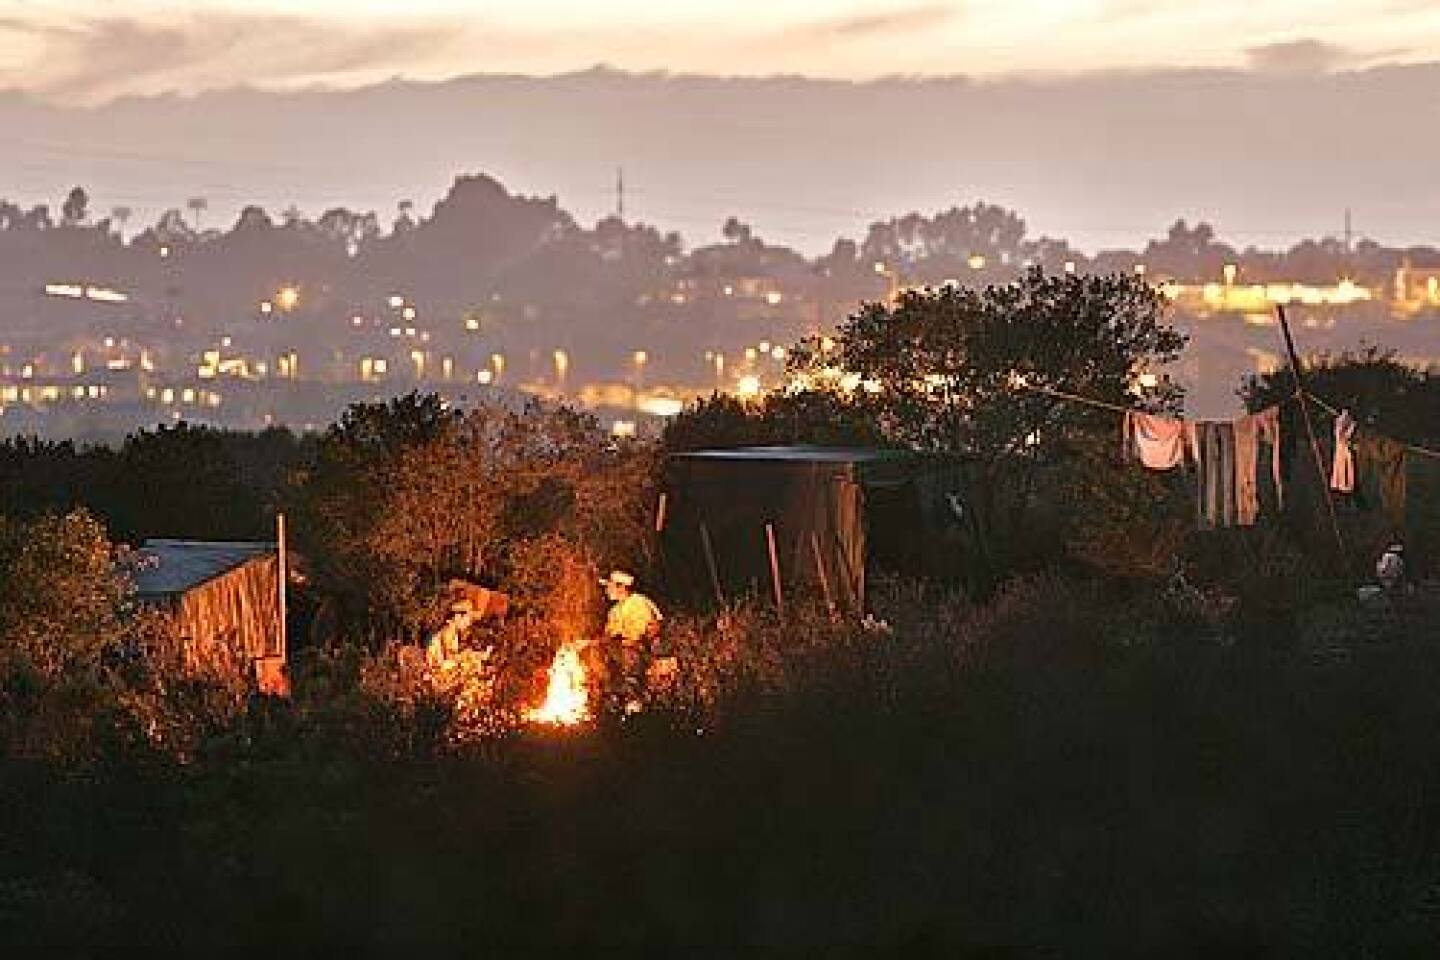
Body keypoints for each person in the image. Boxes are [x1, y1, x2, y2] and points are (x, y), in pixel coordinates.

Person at [600, 570, 662, 712]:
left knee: (629, 654)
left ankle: (634, 705)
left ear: (621, 587)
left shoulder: (638, 603)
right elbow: (608, 636)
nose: (607, 590)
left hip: (641, 653)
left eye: (610, 586)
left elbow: (641, 635)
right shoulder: (615, 611)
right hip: (622, 654)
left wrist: (624, 641)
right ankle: (613, 702)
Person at [426, 597, 475, 667]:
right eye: (469, 619)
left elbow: (453, 652)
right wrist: (466, 655)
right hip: (438, 666)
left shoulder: (454, 632)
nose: (469, 623)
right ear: (457, 617)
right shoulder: (449, 631)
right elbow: (449, 656)